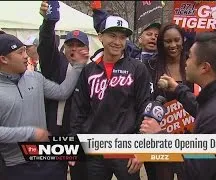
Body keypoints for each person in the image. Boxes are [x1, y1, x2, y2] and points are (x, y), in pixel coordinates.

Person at [140, 32, 216, 180]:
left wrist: (159, 137)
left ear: (205, 67)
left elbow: (193, 171)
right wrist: (179, 90)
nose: (185, 62)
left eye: (189, 56)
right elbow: (202, 110)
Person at [69, 9, 151, 180]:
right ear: (100, 37)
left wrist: (141, 148)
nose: (117, 41)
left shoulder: (137, 68)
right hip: (95, 148)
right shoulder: (89, 71)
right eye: (112, 36)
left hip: (126, 147)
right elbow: (79, 109)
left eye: (122, 37)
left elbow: (145, 108)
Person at [0, 33, 87, 180]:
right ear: (4, 59)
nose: (26, 56)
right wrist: (30, 133)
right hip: (14, 165)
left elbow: (62, 92)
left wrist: (78, 66)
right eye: (20, 52)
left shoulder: (35, 77)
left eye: (25, 50)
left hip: (47, 158)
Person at [38, 1, 90, 179]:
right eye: (70, 45)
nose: (74, 49)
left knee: (80, 175)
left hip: (80, 135)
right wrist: (47, 23)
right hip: (54, 132)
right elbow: (45, 46)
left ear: (87, 49)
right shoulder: (55, 65)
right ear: (64, 47)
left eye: (79, 45)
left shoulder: (92, 71)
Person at [143, 23, 192, 180]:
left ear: (183, 40)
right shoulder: (149, 66)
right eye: (167, 41)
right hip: (159, 134)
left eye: (176, 40)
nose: (173, 45)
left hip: (189, 136)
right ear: (161, 43)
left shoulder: (192, 64)